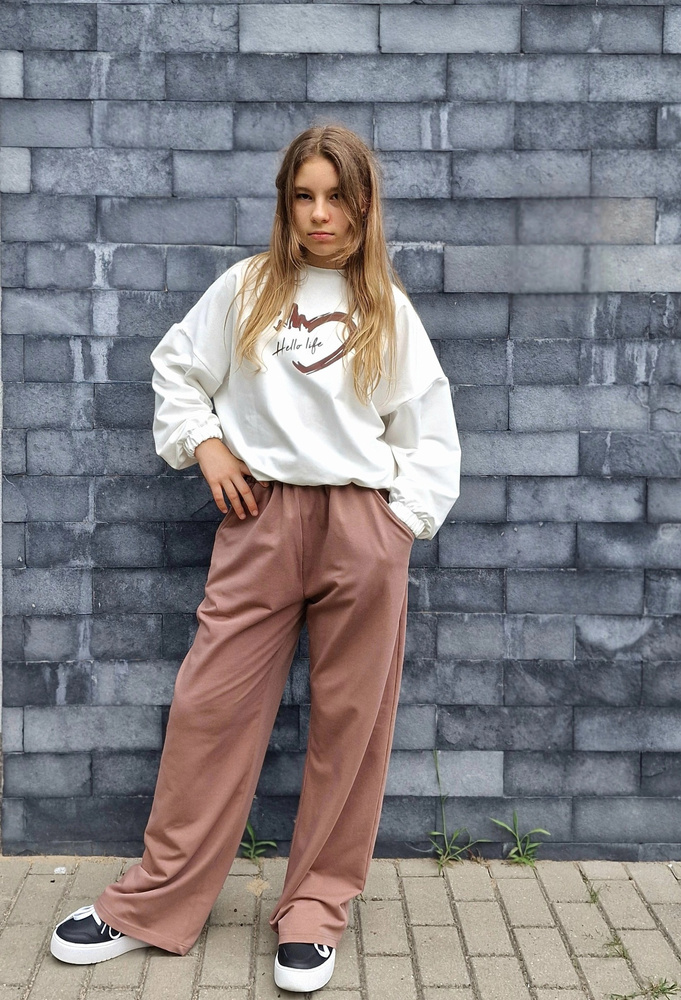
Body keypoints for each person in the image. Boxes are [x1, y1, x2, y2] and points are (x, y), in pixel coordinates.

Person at [49, 124, 461, 993]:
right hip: (259, 519)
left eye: (336, 197)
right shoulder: (246, 289)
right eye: (302, 196)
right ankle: (154, 900)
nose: (319, 214)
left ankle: (314, 909)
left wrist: (398, 526)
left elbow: (428, 430)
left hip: (361, 526)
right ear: (285, 203)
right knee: (209, 709)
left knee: (351, 728)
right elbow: (176, 370)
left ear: (364, 205)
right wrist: (205, 446)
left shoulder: (385, 307)